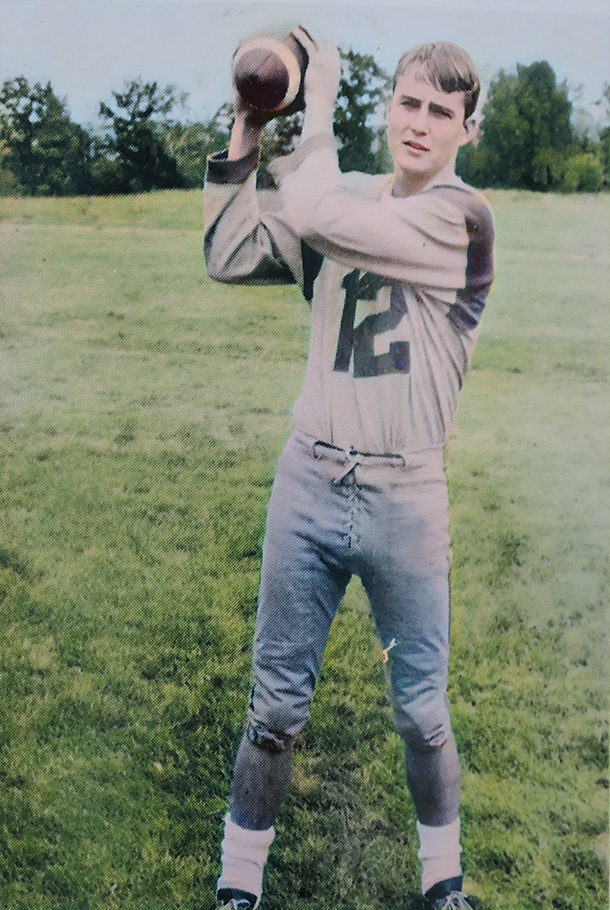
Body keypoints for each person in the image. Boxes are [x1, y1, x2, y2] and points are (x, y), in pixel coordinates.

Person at [203, 25, 494, 910]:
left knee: (421, 710)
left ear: (465, 132)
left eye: (440, 112)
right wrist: (250, 130)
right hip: (311, 481)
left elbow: (328, 215)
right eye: (408, 102)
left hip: (408, 491)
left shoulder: (462, 215)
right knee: (275, 708)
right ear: (388, 108)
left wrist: (316, 102)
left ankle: (442, 881)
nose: (419, 123)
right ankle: (238, 883)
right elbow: (227, 255)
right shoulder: (345, 193)